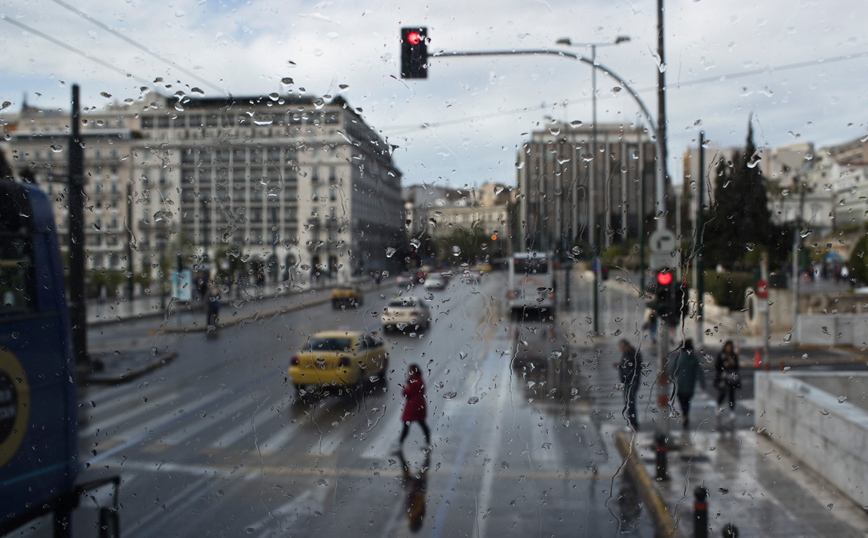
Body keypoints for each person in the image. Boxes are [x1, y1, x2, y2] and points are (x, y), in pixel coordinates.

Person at [669, 339, 705, 430]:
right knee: (688, 401)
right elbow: (699, 372)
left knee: (682, 400)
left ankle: (684, 415)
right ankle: (686, 414)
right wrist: (702, 382)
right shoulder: (693, 358)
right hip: (690, 384)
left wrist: (670, 379)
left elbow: (673, 370)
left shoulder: (679, 357)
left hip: (680, 384)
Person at [398, 364, 431, 449]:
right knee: (422, 424)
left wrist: (405, 389)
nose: (408, 373)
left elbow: (406, 393)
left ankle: (399, 444)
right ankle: (428, 443)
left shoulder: (414, 382)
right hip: (419, 406)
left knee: (406, 426)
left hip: (413, 408)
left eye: (409, 371)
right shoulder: (419, 380)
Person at [616, 340, 642, 430]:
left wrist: (635, 380)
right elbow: (626, 365)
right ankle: (631, 422)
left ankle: (634, 423)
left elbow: (637, 369)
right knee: (627, 402)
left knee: (630, 402)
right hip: (627, 381)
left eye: (622, 347)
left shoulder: (634, 354)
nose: (621, 350)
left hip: (632, 382)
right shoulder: (626, 354)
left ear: (627, 346)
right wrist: (619, 365)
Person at [714, 340, 740, 424]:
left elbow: (737, 367)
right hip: (723, 377)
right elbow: (716, 366)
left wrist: (733, 364)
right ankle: (719, 406)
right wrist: (723, 365)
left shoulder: (733, 356)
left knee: (731, 394)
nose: (729, 349)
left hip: (731, 378)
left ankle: (732, 411)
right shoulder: (721, 355)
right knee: (722, 393)